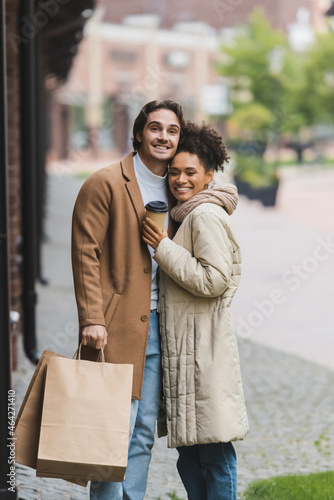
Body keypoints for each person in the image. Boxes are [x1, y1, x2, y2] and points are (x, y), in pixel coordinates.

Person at [71, 99, 185, 500]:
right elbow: (85, 251)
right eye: (155, 128)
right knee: (111, 431)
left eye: (172, 131)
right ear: (139, 133)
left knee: (141, 434)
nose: (163, 137)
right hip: (115, 325)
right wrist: (92, 318)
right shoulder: (103, 183)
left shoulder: (179, 187)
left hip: (160, 325)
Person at [142, 121, 249, 500]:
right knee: (191, 456)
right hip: (187, 351)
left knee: (214, 454)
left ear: (208, 175)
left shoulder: (204, 216)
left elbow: (214, 279)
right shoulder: (185, 213)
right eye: (174, 171)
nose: (180, 179)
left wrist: (163, 248)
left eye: (190, 172)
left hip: (204, 351)